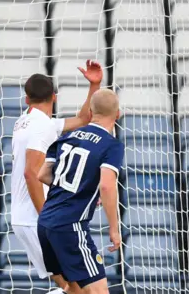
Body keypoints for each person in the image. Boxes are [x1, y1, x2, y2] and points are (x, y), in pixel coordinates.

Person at [9, 60, 102, 292]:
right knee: (77, 287)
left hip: (25, 217)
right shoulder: (42, 127)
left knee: (72, 286)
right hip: (36, 218)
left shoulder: (26, 121)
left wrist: (94, 86)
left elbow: (83, 119)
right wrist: (47, 218)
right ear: (55, 96)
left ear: (26, 100)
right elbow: (31, 174)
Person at [37, 89, 124, 294]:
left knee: (76, 290)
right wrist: (114, 229)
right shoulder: (111, 145)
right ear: (117, 114)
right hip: (70, 227)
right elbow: (106, 185)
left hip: (46, 223)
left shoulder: (67, 137)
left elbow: (43, 174)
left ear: (91, 111)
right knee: (99, 291)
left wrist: (79, 189)